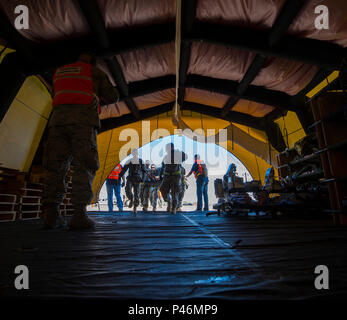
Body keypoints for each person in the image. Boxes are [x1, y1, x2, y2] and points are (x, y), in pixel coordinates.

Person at [42, 52, 119, 230]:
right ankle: (78, 215)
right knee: (84, 165)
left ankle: (52, 215)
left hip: (57, 123)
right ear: (92, 57)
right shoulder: (93, 72)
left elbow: (58, 94)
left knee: (55, 166)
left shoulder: (59, 72)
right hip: (83, 123)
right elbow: (113, 96)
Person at [160, 143, 187, 214]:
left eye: (167, 148)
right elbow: (163, 166)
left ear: (171, 147)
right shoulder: (166, 157)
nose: (166, 149)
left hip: (175, 176)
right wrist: (160, 176)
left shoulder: (177, 155)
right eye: (166, 148)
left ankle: (174, 208)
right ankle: (170, 201)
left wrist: (178, 152)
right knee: (163, 190)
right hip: (167, 176)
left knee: (175, 193)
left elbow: (185, 156)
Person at [119, 149, 145, 215]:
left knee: (137, 193)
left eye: (136, 153)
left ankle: (135, 208)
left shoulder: (140, 161)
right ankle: (131, 199)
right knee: (128, 190)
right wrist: (119, 176)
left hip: (137, 178)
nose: (135, 154)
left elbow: (144, 171)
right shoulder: (129, 161)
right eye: (134, 153)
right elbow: (124, 169)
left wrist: (143, 179)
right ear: (132, 154)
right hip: (130, 177)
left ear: (137, 153)